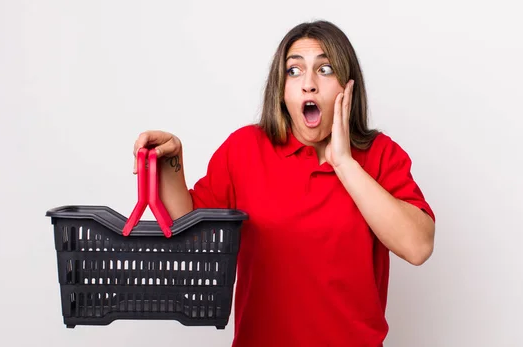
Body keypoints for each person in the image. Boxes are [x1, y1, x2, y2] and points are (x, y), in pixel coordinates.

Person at [133, 20, 435, 347]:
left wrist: (344, 162)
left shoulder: (379, 155)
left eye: (325, 69)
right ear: (281, 89)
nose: (308, 84)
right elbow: (190, 231)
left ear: (348, 88)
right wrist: (171, 164)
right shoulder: (245, 149)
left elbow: (417, 247)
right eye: (294, 71)